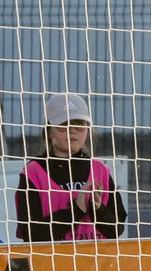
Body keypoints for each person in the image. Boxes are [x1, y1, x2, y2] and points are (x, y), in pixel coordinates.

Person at [13, 94, 126, 243]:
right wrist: (76, 211)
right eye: (64, 124)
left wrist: (98, 210)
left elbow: (116, 230)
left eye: (79, 124)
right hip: (52, 263)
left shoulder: (100, 170)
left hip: (96, 262)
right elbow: (31, 234)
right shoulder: (34, 172)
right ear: (48, 130)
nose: (72, 130)